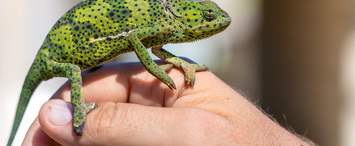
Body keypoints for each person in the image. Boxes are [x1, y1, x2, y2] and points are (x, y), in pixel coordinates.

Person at [22, 60, 317, 146]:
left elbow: (154, 47)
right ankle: (78, 113)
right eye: (204, 17)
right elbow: (142, 44)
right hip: (62, 55)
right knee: (74, 71)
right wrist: (155, 70)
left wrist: (171, 64)